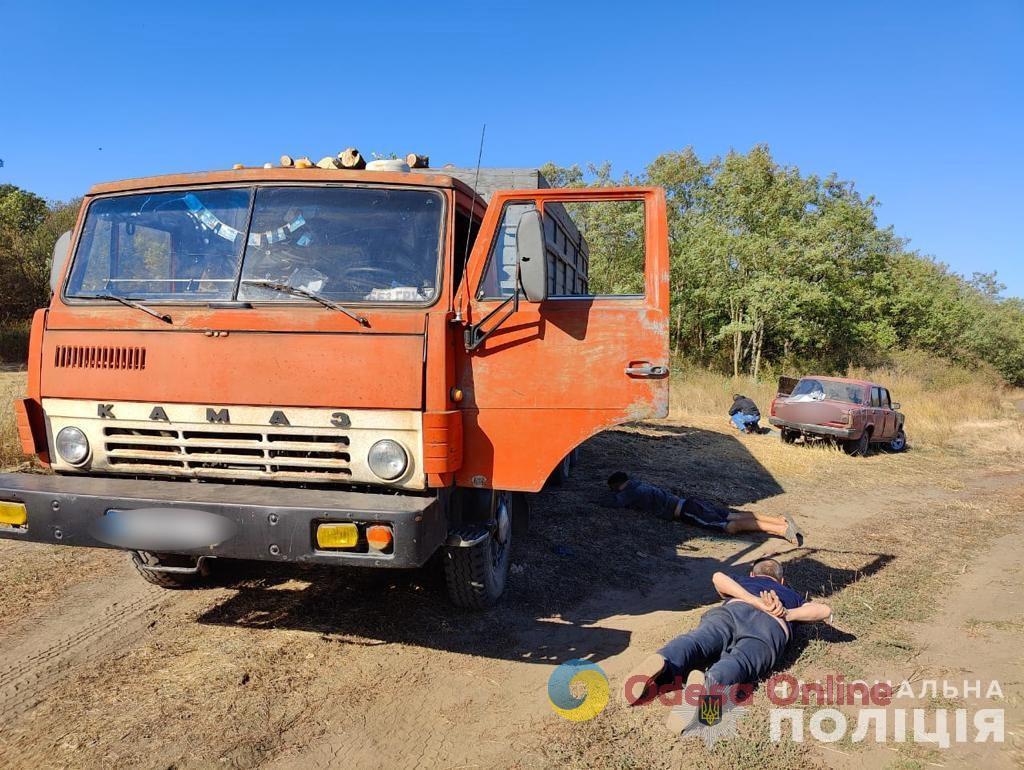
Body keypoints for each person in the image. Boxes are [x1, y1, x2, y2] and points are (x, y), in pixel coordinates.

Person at [623, 559, 833, 713]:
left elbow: (718, 577)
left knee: (697, 641)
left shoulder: (742, 581)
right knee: (742, 661)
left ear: (752, 574)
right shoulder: (791, 595)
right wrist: (787, 613)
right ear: (782, 580)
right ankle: (709, 685)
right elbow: (824, 610)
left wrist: (752, 599)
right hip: (771, 627)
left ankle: (665, 660)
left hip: (733, 611)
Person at [606, 473, 804, 545]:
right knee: (731, 514)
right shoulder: (639, 483)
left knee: (730, 526)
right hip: (691, 502)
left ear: (617, 485)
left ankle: (780, 530)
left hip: (687, 512)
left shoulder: (631, 491)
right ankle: (780, 521)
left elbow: (615, 503)